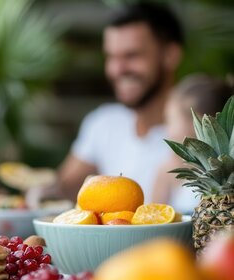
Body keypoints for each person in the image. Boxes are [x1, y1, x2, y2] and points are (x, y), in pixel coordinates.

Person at [27, 2, 183, 206]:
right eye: (111, 57)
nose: (117, 69)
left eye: (132, 55)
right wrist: (40, 192)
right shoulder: (104, 122)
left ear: (170, 55)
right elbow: (62, 187)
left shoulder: (196, 137)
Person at [152, 74, 233, 214]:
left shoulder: (228, 177)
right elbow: (154, 217)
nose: (166, 127)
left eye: (169, 119)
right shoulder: (169, 169)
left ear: (200, 122)